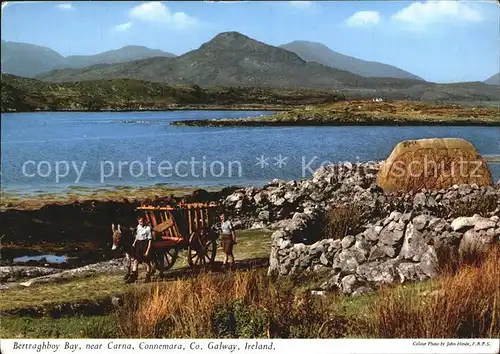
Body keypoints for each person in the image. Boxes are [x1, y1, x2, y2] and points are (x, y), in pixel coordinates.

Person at [127, 216, 153, 283]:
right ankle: (133, 277)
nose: (141, 223)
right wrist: (134, 243)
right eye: (139, 221)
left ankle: (148, 277)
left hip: (145, 244)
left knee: (147, 262)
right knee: (136, 260)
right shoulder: (138, 226)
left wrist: (147, 251)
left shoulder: (148, 228)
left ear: (144, 221)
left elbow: (150, 240)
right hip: (139, 244)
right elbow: (137, 236)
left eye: (142, 221)